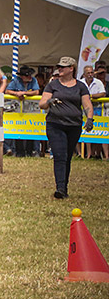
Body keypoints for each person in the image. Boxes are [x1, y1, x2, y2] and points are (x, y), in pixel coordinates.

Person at [39, 56, 94, 199]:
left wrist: (89, 119)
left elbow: (87, 105)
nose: (60, 69)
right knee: (60, 155)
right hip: (55, 124)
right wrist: (50, 101)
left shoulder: (80, 86)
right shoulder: (53, 85)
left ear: (71, 69)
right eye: (59, 66)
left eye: (63, 67)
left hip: (74, 125)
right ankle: (60, 188)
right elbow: (42, 104)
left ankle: (64, 187)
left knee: (67, 157)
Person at [5, 66, 40, 157]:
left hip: (30, 110)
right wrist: (16, 94)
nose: (29, 77)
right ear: (22, 76)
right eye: (27, 76)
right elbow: (8, 91)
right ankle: (19, 152)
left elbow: (36, 92)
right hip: (18, 110)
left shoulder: (33, 80)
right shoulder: (16, 80)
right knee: (18, 131)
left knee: (30, 130)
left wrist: (24, 93)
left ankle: (30, 151)